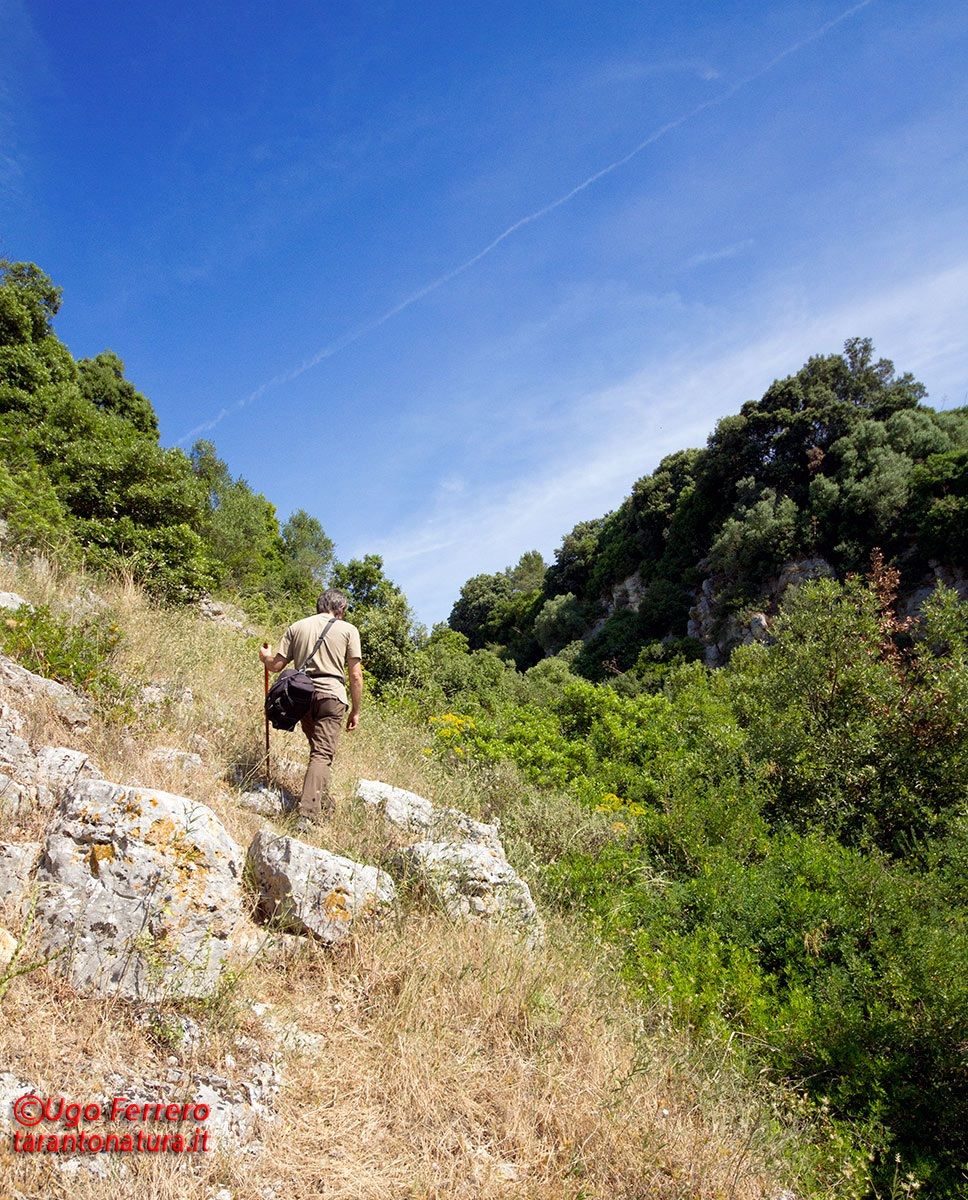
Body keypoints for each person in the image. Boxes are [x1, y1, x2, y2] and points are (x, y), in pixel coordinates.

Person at [259, 588, 363, 826]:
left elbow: (276, 666)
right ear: (341, 609)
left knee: (318, 752)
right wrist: (356, 710)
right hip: (332, 697)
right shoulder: (349, 630)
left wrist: (264, 656)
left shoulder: (297, 627)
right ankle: (307, 815)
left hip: (302, 696)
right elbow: (356, 675)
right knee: (322, 754)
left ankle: (322, 801)